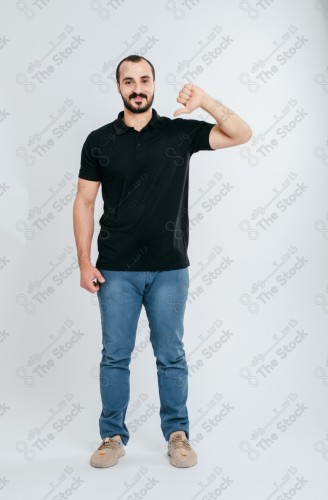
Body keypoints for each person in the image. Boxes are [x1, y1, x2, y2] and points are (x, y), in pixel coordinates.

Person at [73, 54, 252, 469]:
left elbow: (242, 134)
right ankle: (112, 437)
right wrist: (84, 261)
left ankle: (177, 434)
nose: (138, 87)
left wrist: (205, 100)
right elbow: (84, 202)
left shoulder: (179, 133)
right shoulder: (98, 140)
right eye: (129, 81)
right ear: (118, 87)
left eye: (145, 80)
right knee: (115, 355)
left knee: (170, 354)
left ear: (154, 84)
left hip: (171, 268)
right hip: (115, 269)